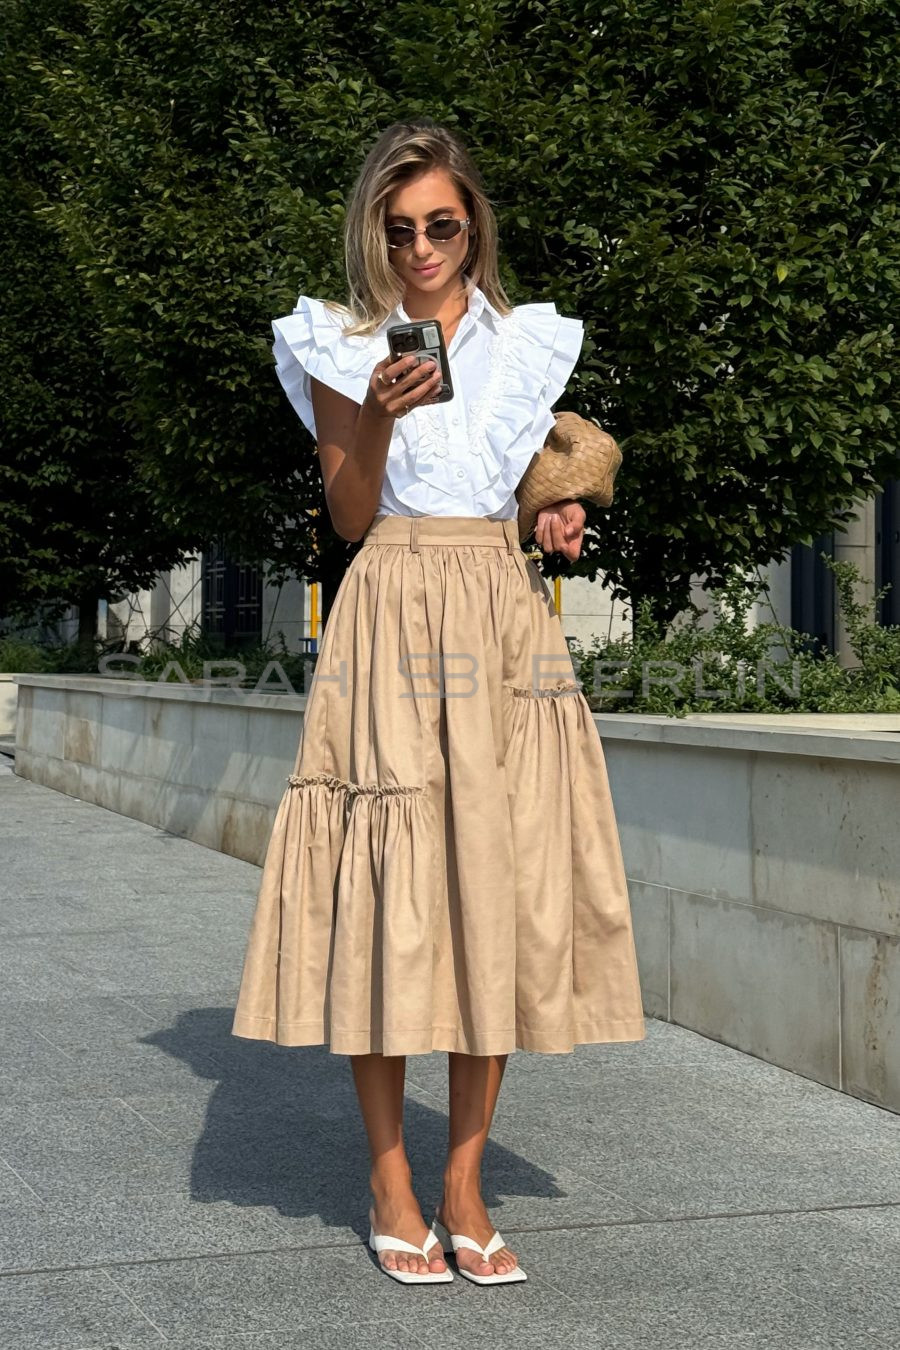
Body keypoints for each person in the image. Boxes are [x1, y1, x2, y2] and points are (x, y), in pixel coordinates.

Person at [231, 119, 646, 1286]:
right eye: (399, 226)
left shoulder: (526, 343)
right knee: (385, 886)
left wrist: (549, 513)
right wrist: (376, 413)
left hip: (501, 613)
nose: (421, 248)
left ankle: (463, 1180)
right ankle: (388, 1175)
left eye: (442, 226)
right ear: (375, 229)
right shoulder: (338, 343)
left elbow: (510, 491)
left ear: (474, 227)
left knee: (495, 887)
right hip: (394, 608)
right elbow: (353, 518)